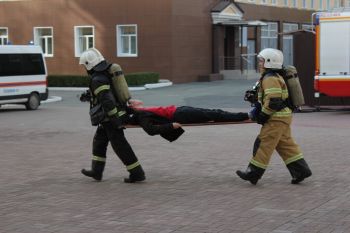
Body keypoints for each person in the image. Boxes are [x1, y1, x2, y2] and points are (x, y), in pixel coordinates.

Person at [236, 48, 312, 185]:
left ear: (269, 62)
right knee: (286, 145)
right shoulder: (272, 76)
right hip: (282, 117)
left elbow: (273, 101)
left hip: (276, 118)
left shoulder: (270, 78)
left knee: (263, 144)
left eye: (261, 60)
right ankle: (301, 171)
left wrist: (263, 116)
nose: (259, 63)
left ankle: (253, 173)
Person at [79, 48, 145, 183]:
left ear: (88, 64)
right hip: (109, 117)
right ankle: (97, 171)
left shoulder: (97, 78)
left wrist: (115, 120)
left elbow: (107, 101)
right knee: (99, 142)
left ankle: (137, 173)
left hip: (111, 118)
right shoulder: (104, 74)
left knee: (120, 145)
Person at [127, 99, 250, 142]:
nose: (133, 100)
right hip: (180, 115)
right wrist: (171, 126)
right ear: (132, 107)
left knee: (215, 112)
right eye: (131, 102)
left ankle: (245, 115)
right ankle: (246, 115)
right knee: (215, 114)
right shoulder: (141, 115)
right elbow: (151, 130)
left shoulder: (142, 110)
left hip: (180, 110)